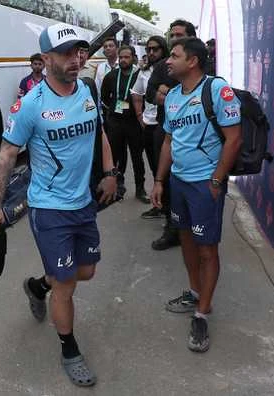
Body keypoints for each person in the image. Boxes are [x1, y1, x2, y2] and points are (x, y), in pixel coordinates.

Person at [0, 23, 117, 387]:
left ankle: (38, 286)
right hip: (49, 208)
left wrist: (110, 171)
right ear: (46, 59)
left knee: (84, 272)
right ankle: (69, 348)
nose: (77, 59)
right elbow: (7, 155)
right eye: (67, 53)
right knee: (67, 284)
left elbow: (99, 131)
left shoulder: (87, 90)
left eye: (79, 51)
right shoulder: (30, 105)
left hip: (83, 203)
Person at [151, 37, 242, 352]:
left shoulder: (217, 90)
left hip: (205, 185)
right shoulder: (173, 97)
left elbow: (233, 139)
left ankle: (202, 312)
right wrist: (160, 180)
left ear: (192, 61)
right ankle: (194, 292)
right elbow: (168, 143)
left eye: (174, 55)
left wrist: (217, 182)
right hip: (178, 183)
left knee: (207, 249)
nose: (168, 60)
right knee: (187, 241)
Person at [145, 19, 197, 250]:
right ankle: (172, 226)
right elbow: (150, 94)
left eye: (179, 35)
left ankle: (196, 226)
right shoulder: (162, 65)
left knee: (193, 182)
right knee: (164, 177)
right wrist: (164, 95)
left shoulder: (204, 66)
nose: (173, 39)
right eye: (172, 34)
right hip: (165, 131)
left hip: (196, 137)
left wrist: (175, 95)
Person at [101, 45, 149, 203]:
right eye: (121, 57)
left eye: (126, 57)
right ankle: (117, 186)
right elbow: (105, 97)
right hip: (115, 121)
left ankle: (140, 189)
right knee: (115, 156)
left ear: (134, 58)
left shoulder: (139, 75)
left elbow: (145, 96)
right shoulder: (111, 76)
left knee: (137, 156)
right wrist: (116, 107)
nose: (123, 60)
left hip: (134, 122)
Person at [131, 35, 169, 218]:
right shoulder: (144, 72)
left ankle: (171, 210)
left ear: (163, 49)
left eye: (156, 49)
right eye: (148, 49)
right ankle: (159, 205)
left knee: (167, 169)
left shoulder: (171, 70)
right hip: (149, 126)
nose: (151, 52)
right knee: (155, 167)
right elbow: (136, 94)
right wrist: (140, 117)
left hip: (167, 127)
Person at [94, 37, 118, 102]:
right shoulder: (101, 67)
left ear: (117, 48)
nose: (108, 48)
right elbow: (98, 88)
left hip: (122, 104)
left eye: (111, 46)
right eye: (105, 47)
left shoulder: (123, 65)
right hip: (105, 105)